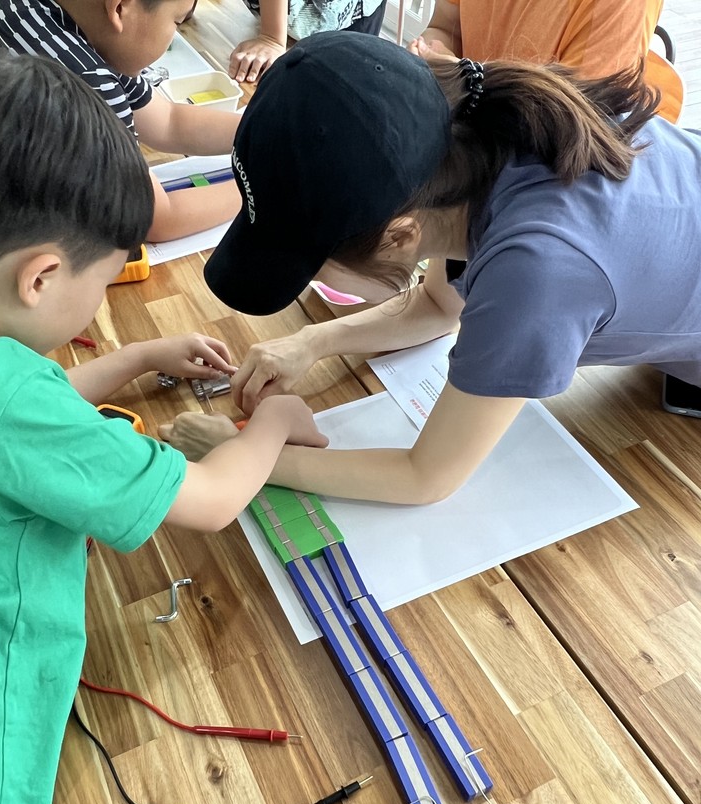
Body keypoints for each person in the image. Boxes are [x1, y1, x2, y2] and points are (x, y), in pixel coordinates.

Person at [0, 50, 325, 804]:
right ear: (41, 276)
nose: (100, 305)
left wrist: (134, 356)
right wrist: (273, 424)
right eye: (103, 286)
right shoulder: (0, 394)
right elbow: (211, 499)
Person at [158, 31, 701, 508]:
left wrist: (243, 453)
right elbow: (442, 304)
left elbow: (427, 477)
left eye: (311, 266)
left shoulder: (537, 269)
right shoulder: (458, 133)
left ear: (399, 235)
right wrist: (312, 341)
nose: (310, 282)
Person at [0, 0, 241, 241]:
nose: (174, 32)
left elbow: (168, 121)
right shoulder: (82, 78)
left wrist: (261, 131)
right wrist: (256, 186)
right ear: (119, 8)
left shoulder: (27, 11)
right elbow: (150, 218)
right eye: (177, 21)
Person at [409, 0, 664, 79]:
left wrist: (465, 78)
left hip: (540, 173)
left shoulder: (625, 5)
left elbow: (577, 131)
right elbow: (443, 27)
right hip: (470, 133)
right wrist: (427, 52)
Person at [228, 0, 387, 84]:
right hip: (287, 17)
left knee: (349, 81)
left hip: (351, 14)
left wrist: (271, 38)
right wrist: (272, 36)